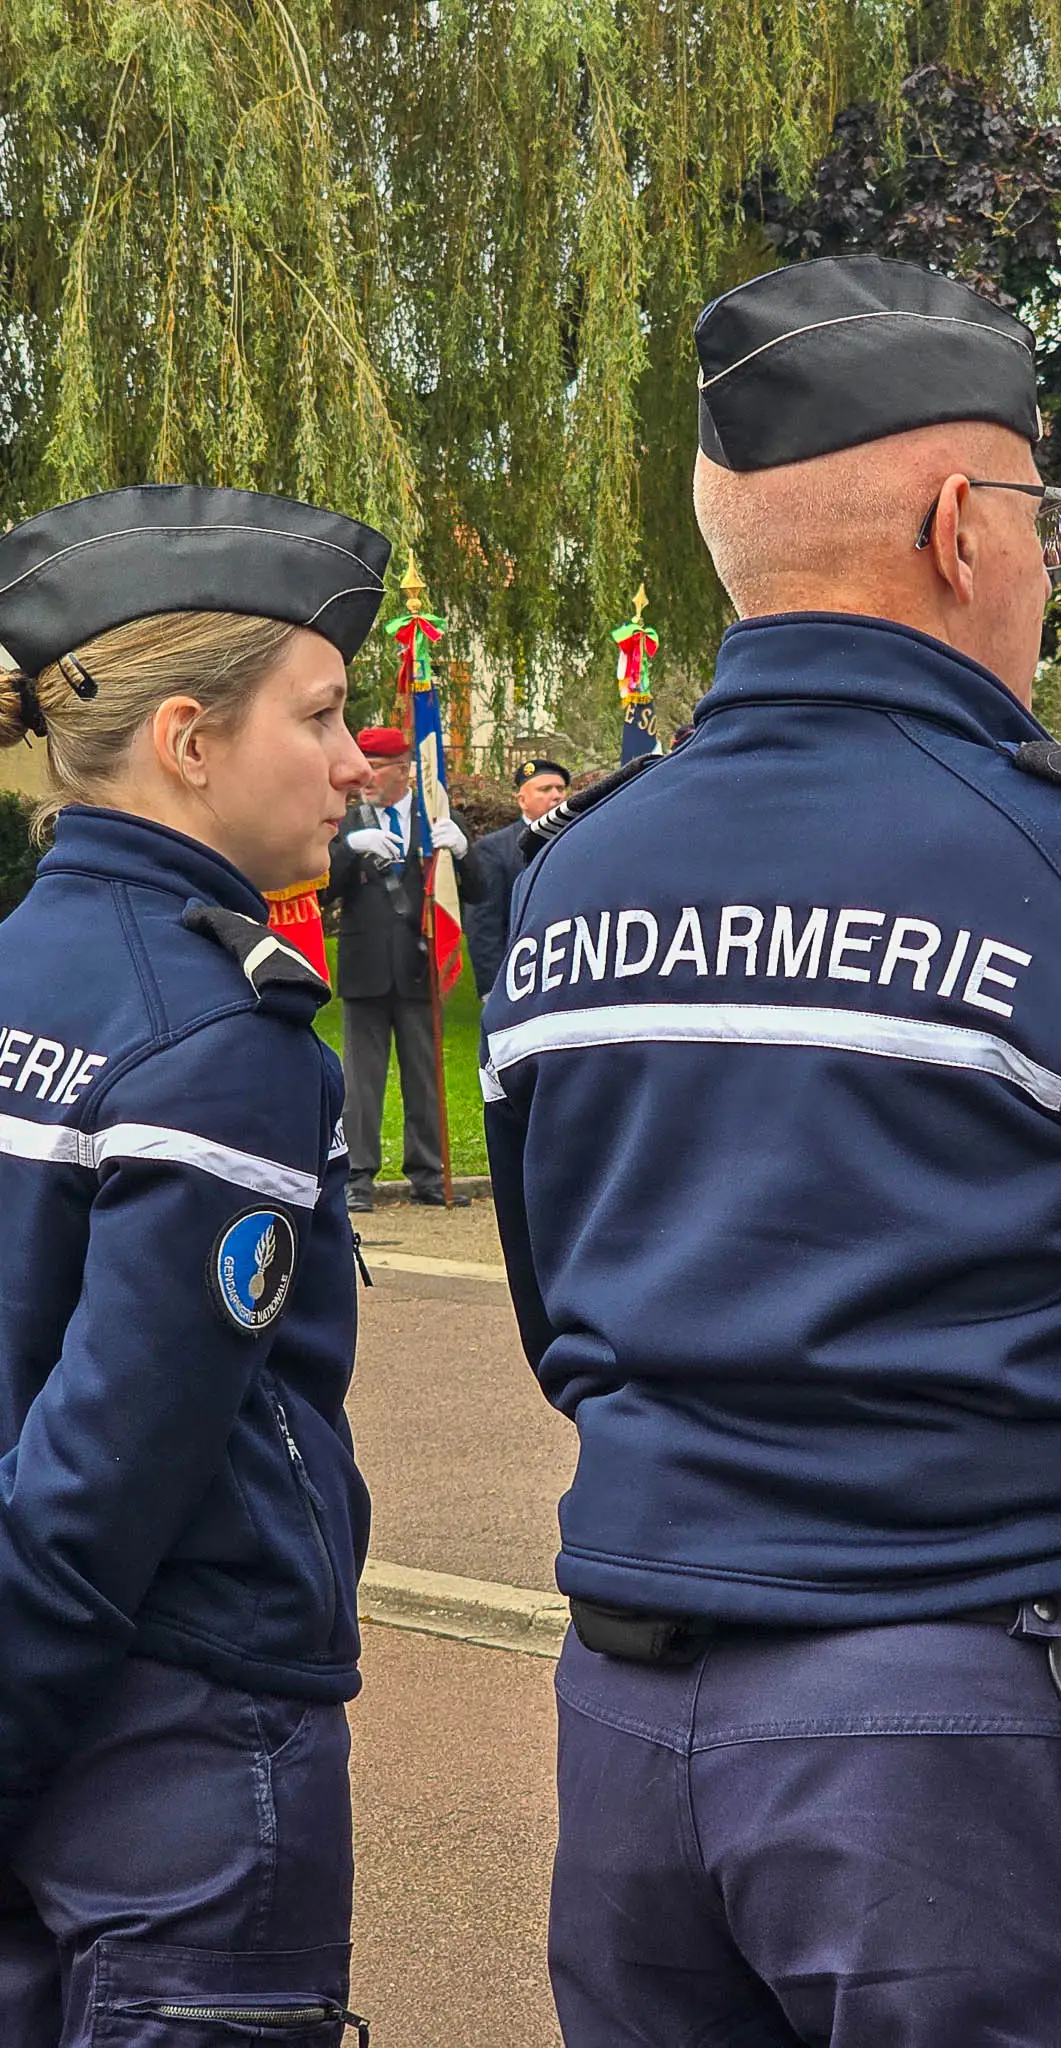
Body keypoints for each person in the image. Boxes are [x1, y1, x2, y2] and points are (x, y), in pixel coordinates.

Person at [482, 253, 1061, 2048]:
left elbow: (560, 1315)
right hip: (946, 1742)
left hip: (623, 1718)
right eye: (1036, 514)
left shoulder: (576, 872)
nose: (1052, 563)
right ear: (951, 525)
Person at [0, 484, 386, 2043]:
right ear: (187, 740)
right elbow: (111, 1472)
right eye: (323, 714)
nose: (357, 761)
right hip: (166, 1730)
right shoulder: (223, 1036)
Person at [326, 728, 478, 1210]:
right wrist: (350, 848)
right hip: (365, 964)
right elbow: (323, 887)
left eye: (377, 768)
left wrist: (463, 852)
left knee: (424, 1073)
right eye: (364, 766)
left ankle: (429, 1173)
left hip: (420, 963)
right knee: (361, 1081)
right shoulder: (346, 821)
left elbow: (474, 891)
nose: (366, 778)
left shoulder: (433, 817)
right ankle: (357, 1177)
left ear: (404, 770)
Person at [464, 755, 569, 994]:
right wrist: (492, 988)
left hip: (569, 971)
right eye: (545, 789)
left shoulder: (579, 839)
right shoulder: (495, 849)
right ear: (522, 800)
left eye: (560, 789)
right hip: (521, 974)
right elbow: (484, 924)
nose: (556, 795)